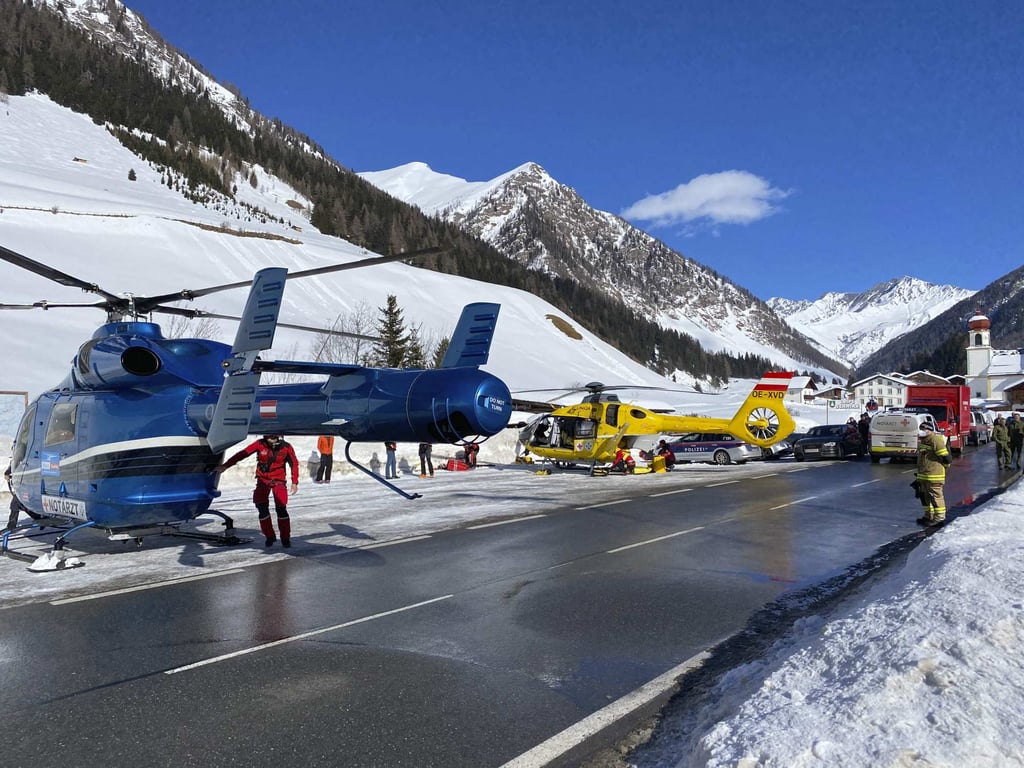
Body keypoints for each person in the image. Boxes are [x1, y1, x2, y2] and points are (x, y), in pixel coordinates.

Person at [216, 434, 299, 547]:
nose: (272, 438)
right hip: (263, 480)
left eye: (274, 436)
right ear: (265, 437)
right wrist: (226, 466)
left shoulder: (286, 447)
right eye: (270, 436)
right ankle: (269, 536)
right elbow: (242, 454)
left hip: (278, 481)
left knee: (281, 509)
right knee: (261, 508)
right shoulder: (259, 444)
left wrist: (294, 482)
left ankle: (285, 538)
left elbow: (294, 463)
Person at [914, 420, 952, 527]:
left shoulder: (935, 440)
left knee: (936, 496)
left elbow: (946, 458)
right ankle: (929, 516)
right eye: (920, 429)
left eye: (923, 429)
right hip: (924, 475)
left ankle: (939, 518)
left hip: (934, 475)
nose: (921, 431)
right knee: (925, 496)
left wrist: (944, 468)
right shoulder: (923, 441)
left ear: (929, 430)